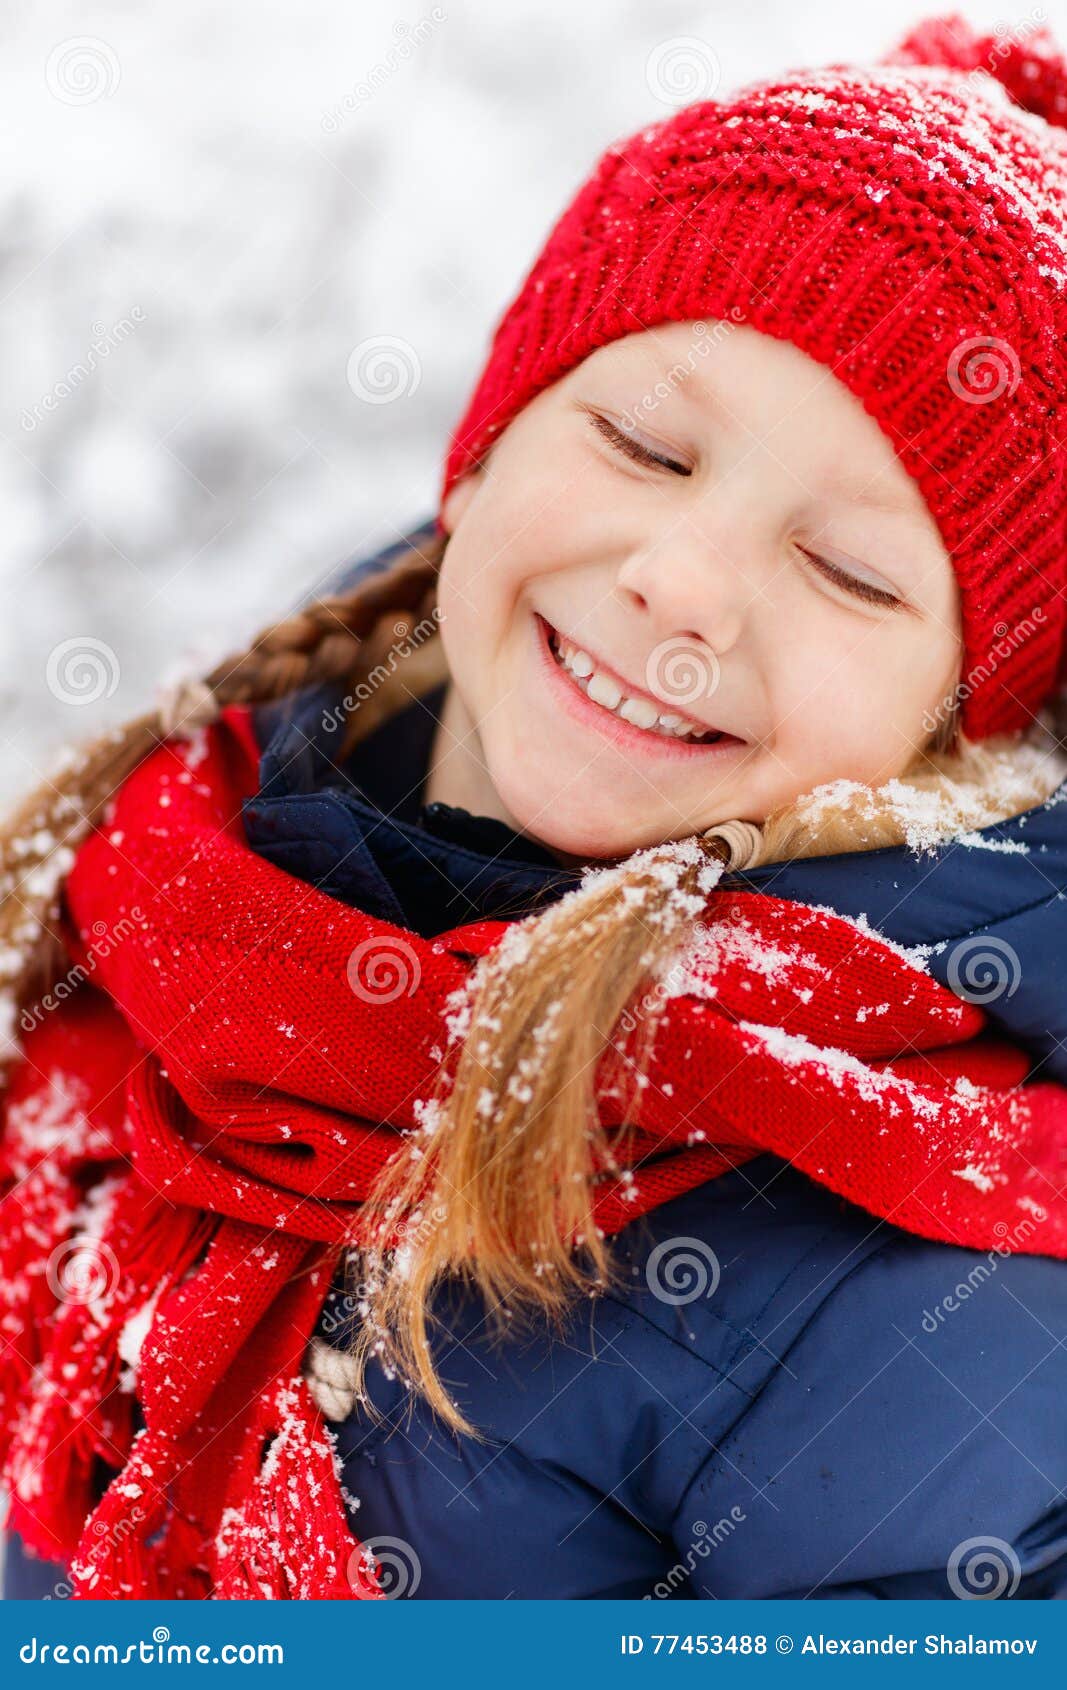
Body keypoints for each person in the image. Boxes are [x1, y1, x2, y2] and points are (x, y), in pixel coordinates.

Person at [2, 12, 1067, 1600]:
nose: (681, 583)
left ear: (954, 725)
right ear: (485, 449)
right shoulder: (155, 899)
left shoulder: (933, 1279)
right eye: (643, 444)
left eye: (849, 568)